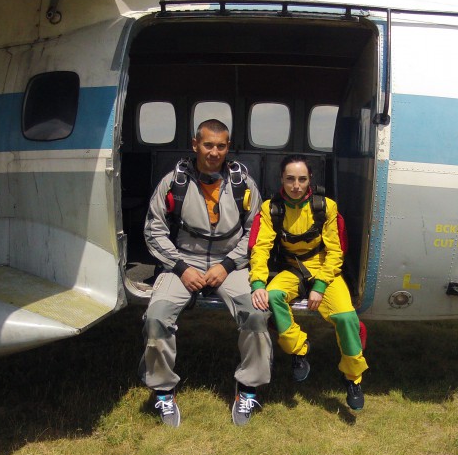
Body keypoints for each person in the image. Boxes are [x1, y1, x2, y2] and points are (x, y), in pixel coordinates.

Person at [141, 119, 272, 427]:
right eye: (208, 145)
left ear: (228, 148)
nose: (214, 152)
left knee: (256, 314)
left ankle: (248, 388)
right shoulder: (174, 182)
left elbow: (257, 232)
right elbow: (154, 230)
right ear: (195, 145)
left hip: (230, 263)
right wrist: (181, 268)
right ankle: (163, 391)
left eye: (221, 146)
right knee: (156, 316)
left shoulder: (243, 184)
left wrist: (227, 265)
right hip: (183, 261)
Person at [250, 155, 368, 409]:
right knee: (273, 295)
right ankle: (299, 349)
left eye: (302, 179)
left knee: (347, 318)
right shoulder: (271, 208)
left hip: (325, 270)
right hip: (293, 269)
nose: (296, 185)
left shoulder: (325, 207)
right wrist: (258, 283)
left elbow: (336, 252)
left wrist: (321, 286)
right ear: (281, 179)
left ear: (310, 179)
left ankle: (353, 378)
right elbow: (261, 248)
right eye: (290, 179)